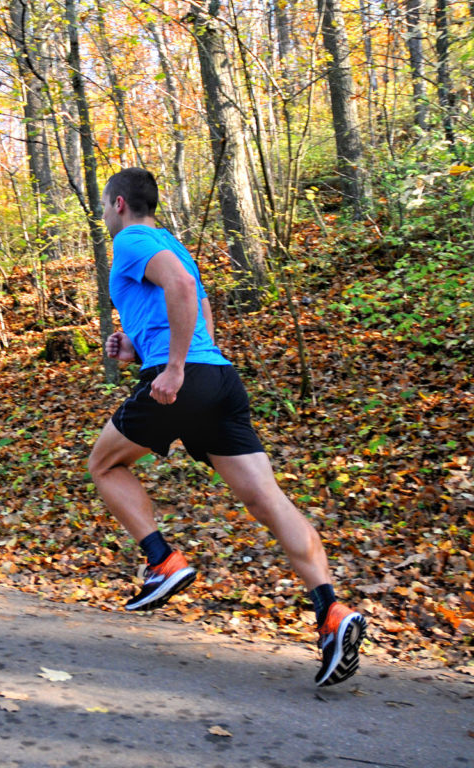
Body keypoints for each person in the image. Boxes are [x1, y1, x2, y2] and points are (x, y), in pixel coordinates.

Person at [87, 167, 366, 687]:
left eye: (105, 207)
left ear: (120, 204)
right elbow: (198, 303)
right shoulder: (168, 240)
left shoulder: (130, 240)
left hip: (182, 380)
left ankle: (162, 561)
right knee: (266, 499)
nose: (104, 216)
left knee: (103, 464)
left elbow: (180, 285)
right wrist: (142, 350)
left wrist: (173, 367)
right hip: (219, 380)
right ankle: (331, 611)